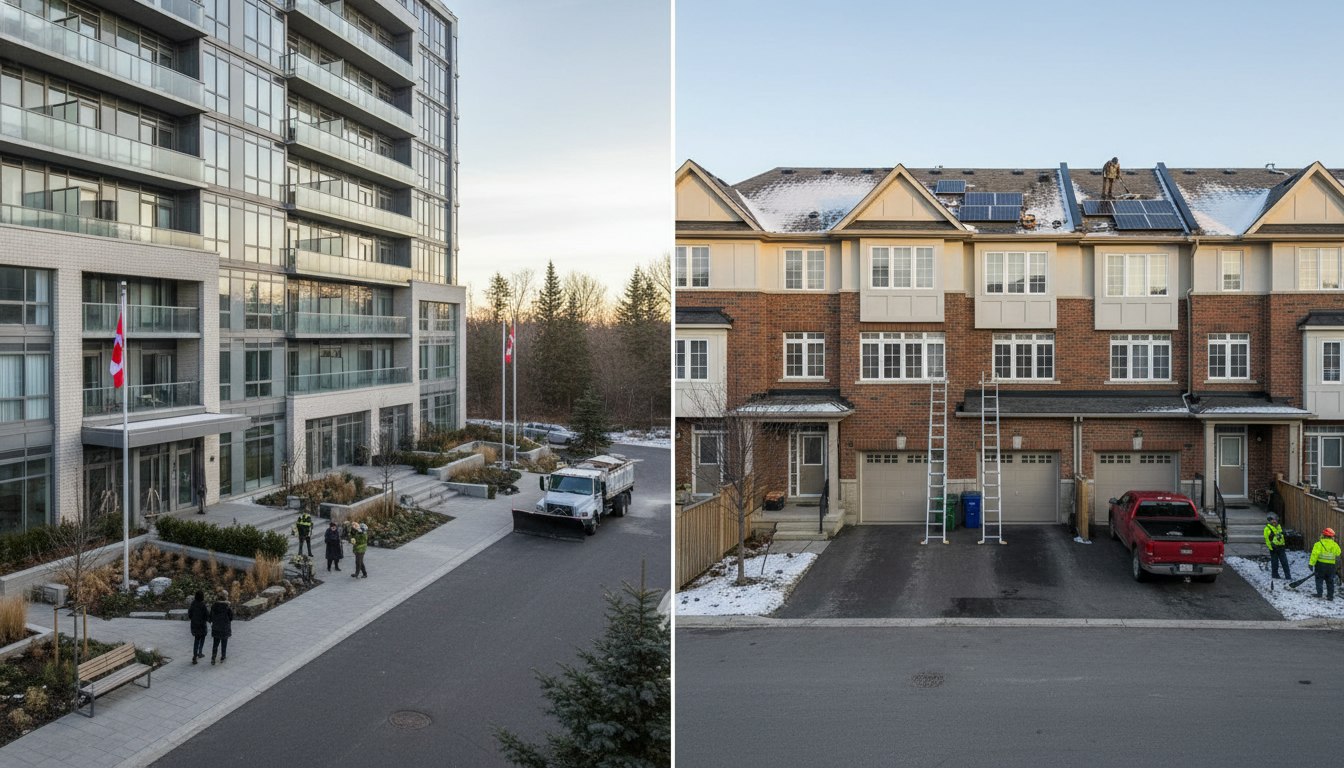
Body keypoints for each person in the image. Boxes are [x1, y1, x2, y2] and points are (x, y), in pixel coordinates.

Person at [1309, 527, 1340, 601]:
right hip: (1331, 565)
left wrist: (1311, 564)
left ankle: (1319, 593)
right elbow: (1338, 552)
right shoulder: (1334, 545)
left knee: (1319, 579)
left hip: (1320, 565)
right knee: (1330, 580)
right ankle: (1330, 596)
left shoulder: (1318, 544)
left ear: (1323, 535)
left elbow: (1314, 554)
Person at [1264, 513, 1291, 580]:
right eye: (1272, 520)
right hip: (1273, 548)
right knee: (1275, 563)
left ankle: (1288, 576)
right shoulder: (1267, 529)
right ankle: (1275, 575)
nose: (1274, 521)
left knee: (1285, 563)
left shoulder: (1280, 527)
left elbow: (1283, 537)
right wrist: (1271, 547)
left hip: (1281, 547)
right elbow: (1267, 540)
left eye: (1275, 519)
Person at [209, 591, 233, 664]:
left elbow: (210, 617)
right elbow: (231, 617)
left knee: (215, 644)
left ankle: (213, 657)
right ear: (225, 599)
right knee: (224, 644)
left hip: (216, 628)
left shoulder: (214, 606)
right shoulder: (227, 607)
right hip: (225, 628)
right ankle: (223, 656)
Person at [187, 591, 209, 664]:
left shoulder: (193, 605)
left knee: (196, 640)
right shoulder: (203, 606)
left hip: (195, 625)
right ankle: (200, 652)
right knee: (202, 638)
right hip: (202, 625)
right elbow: (206, 616)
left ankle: (194, 656)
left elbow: (190, 614)